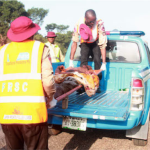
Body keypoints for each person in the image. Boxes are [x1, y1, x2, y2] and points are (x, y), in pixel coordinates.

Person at [0, 16, 57, 150]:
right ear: (32, 32)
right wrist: (51, 98)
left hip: (7, 114)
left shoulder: (2, 51)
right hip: (33, 114)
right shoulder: (40, 48)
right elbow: (48, 82)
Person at [69, 9, 107, 79]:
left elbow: (103, 44)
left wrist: (104, 63)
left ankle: (97, 83)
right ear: (85, 19)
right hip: (85, 42)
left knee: (97, 60)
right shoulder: (78, 23)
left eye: (94, 20)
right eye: (90, 21)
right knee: (83, 61)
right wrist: (71, 61)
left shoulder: (99, 24)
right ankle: (83, 84)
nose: (92, 23)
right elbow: (74, 43)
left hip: (95, 42)